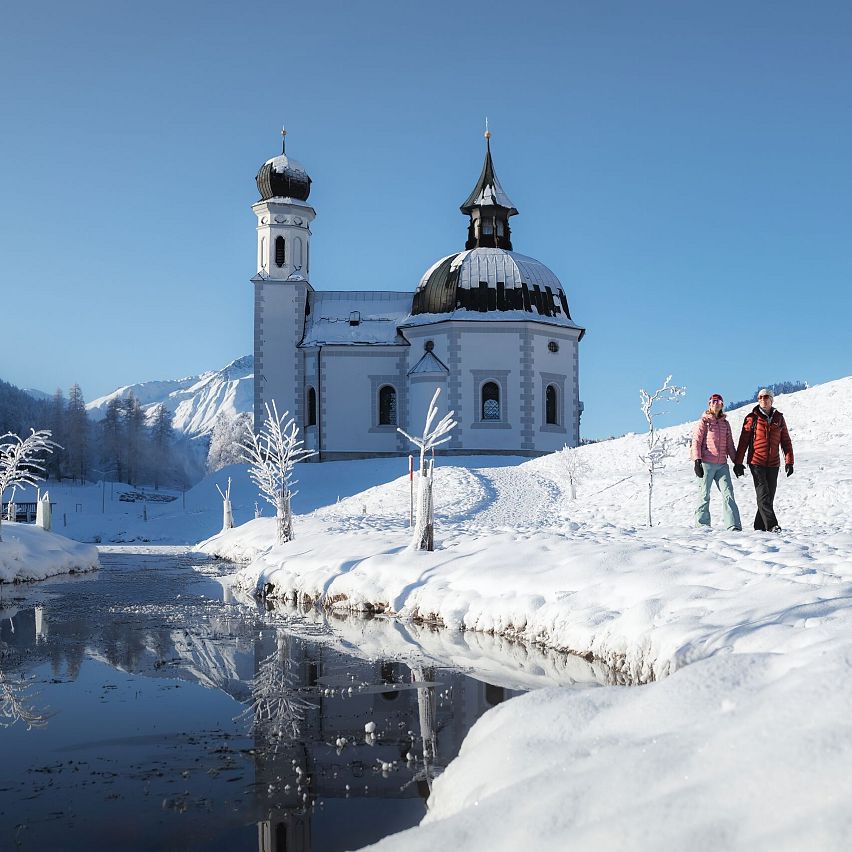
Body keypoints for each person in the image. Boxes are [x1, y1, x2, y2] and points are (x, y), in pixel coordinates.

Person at [733, 388, 794, 533]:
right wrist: (738, 463)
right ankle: (772, 525)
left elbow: (785, 441)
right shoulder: (751, 418)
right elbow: (743, 442)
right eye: (760, 397)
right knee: (763, 494)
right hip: (756, 462)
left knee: (769, 496)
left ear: (772, 399)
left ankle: (759, 526)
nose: (763, 399)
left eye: (766, 397)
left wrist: (789, 461)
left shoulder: (779, 418)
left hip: (773, 463)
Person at [691, 393, 742, 531]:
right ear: (709, 404)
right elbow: (696, 442)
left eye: (719, 401)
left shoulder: (725, 424)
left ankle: (733, 525)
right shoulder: (704, 422)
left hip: (722, 465)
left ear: (722, 405)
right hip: (706, 464)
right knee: (704, 494)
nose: (716, 403)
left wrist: (737, 462)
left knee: (728, 493)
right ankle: (702, 524)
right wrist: (697, 461)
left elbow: (730, 445)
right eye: (713, 401)